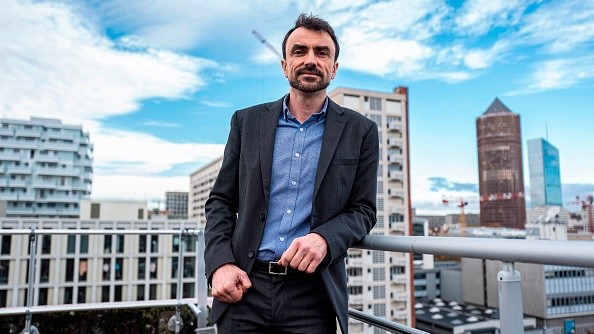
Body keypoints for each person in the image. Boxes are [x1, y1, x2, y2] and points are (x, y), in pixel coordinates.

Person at [204, 13, 378, 333]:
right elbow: (220, 202)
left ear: (334, 68)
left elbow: (363, 210)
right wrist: (220, 264)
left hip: (313, 296)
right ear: (284, 65)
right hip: (244, 286)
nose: (310, 60)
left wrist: (325, 238)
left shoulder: (362, 131)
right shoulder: (246, 122)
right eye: (300, 51)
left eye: (321, 52)